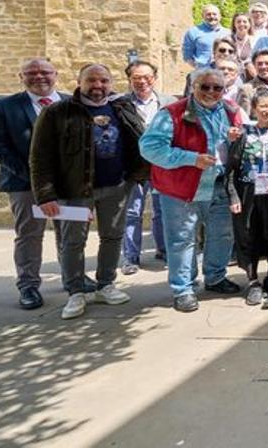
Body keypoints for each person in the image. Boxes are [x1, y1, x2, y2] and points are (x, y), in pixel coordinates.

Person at [30, 63, 146, 319]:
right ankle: (75, 291)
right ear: (80, 82)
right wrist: (46, 195)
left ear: (111, 83)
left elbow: (139, 139)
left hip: (116, 187)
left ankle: (105, 284)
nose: (98, 86)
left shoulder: (121, 107)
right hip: (74, 191)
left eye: (103, 81)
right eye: (91, 80)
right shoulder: (57, 112)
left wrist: (138, 175)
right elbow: (40, 158)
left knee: (112, 237)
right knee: (73, 242)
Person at [140, 66, 247, 312]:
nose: (211, 92)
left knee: (222, 235)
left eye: (217, 88)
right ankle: (183, 289)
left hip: (219, 185)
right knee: (181, 240)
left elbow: (243, 141)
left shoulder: (230, 110)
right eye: (205, 87)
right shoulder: (173, 113)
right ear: (193, 87)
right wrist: (191, 158)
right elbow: (149, 147)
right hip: (181, 189)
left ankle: (216, 277)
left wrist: (235, 139)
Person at [0, 58, 67, 310]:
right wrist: (33, 177)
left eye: (45, 72)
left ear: (56, 74)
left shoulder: (71, 103)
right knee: (29, 235)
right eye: (31, 73)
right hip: (24, 185)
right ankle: (28, 285)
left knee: (70, 233)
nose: (39, 76)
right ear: (20, 77)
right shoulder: (4, 107)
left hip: (67, 185)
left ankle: (72, 278)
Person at [227, 88, 268, 308]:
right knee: (247, 236)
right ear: (253, 108)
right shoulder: (243, 133)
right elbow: (231, 168)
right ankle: (252, 281)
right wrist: (233, 195)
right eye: (263, 106)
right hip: (247, 192)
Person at [120, 60, 175, 276]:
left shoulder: (168, 102)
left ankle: (163, 250)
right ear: (129, 80)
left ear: (155, 78)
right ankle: (131, 257)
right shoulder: (120, 103)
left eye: (147, 77)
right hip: (133, 167)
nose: (142, 82)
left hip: (162, 165)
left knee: (162, 210)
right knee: (132, 212)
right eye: (136, 78)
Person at [182, 4, 230, 70]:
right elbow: (187, 55)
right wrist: (198, 68)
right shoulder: (193, 32)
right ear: (203, 16)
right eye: (208, 14)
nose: (212, 16)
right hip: (203, 72)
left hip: (224, 72)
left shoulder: (228, 33)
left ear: (220, 16)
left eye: (214, 14)